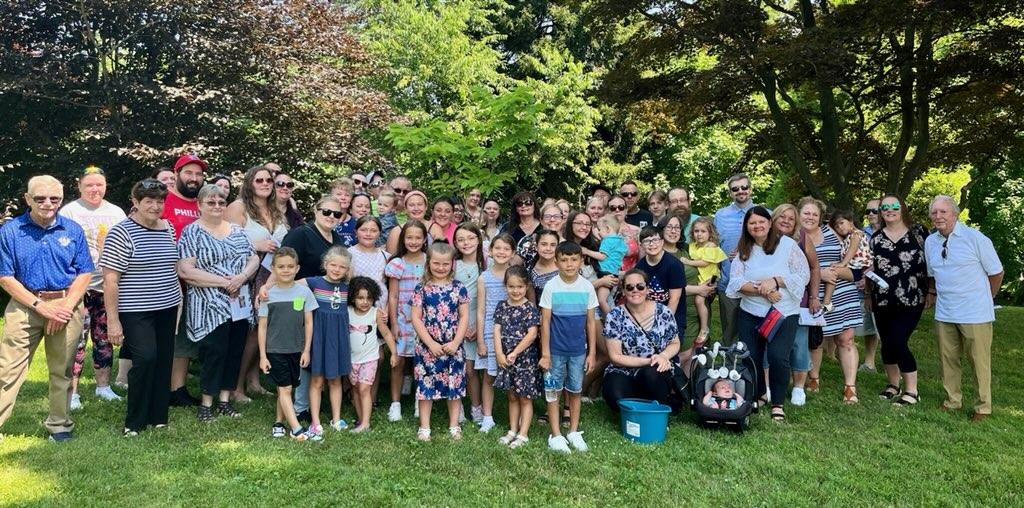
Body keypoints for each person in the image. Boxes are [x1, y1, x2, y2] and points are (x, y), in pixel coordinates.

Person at [0, 175, 93, 442]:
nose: (47, 203)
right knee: (8, 368)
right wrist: (43, 308)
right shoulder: (10, 231)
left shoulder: (73, 230)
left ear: (62, 200)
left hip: (67, 305)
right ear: (28, 199)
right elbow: (5, 277)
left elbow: (84, 272)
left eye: (54, 198)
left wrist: (63, 306)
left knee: (62, 369)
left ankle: (60, 425)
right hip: (25, 306)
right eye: (40, 198)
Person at [99, 179, 181, 436]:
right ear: (135, 203)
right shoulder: (121, 232)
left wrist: (178, 303)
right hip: (136, 310)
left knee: (164, 361)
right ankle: (134, 421)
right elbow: (111, 279)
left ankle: (158, 417)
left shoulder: (168, 229)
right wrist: (113, 321)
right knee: (145, 359)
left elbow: (172, 267)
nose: (156, 206)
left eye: (160, 201)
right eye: (149, 201)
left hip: (167, 306)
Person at [177, 184, 259, 422]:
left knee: (234, 351)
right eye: (211, 202)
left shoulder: (237, 230)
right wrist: (223, 282)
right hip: (209, 304)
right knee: (214, 353)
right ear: (200, 205)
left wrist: (241, 278)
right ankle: (206, 404)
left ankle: (224, 400)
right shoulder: (192, 232)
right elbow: (186, 270)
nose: (216, 206)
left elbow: (252, 258)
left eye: (221, 202)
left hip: (238, 302)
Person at [725, 206, 809, 423]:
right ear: (747, 227)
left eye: (761, 222)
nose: (757, 226)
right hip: (751, 311)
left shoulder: (787, 245)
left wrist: (776, 281)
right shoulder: (744, 249)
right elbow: (735, 282)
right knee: (751, 356)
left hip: (783, 312)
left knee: (778, 357)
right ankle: (760, 394)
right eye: (752, 223)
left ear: (770, 223)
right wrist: (763, 289)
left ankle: (778, 403)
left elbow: (802, 275)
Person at [925, 195, 1003, 422]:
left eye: (943, 212)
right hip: (945, 311)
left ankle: (983, 407)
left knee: (979, 361)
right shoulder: (931, 242)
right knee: (948, 359)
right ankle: (952, 401)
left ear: (955, 214)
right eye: (934, 212)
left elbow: (996, 273)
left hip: (975, 313)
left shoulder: (975, 238)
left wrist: (988, 297)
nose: (938, 216)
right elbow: (932, 275)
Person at [59, 166, 126, 410]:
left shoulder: (116, 212)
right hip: (78, 287)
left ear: (105, 185)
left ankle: (103, 387)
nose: (94, 189)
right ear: (79, 186)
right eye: (89, 185)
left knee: (104, 338)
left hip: (106, 287)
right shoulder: (69, 211)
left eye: (99, 184)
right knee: (75, 341)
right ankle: (72, 392)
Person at [274, 196, 345, 422]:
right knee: (302, 350)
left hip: (326, 306)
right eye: (326, 212)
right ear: (315, 210)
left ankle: (305, 403)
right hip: (300, 301)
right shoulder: (301, 233)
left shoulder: (338, 239)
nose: (331, 217)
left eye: (337, 214)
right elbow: (282, 262)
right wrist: (269, 288)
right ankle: (299, 405)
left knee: (313, 352)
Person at [226, 165, 287, 403]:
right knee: (249, 331)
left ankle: (253, 382)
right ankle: (235, 386)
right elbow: (226, 242)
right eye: (259, 180)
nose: (265, 183)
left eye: (268, 180)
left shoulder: (276, 209)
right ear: (250, 183)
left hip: (271, 274)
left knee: (262, 329)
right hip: (246, 275)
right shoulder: (238, 207)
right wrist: (255, 246)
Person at [800, 197, 863, 403]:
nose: (810, 217)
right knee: (814, 341)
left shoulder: (833, 233)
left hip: (843, 292)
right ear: (799, 214)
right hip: (811, 295)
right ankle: (814, 378)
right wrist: (820, 275)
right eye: (806, 213)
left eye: (814, 214)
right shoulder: (792, 238)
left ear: (821, 218)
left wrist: (835, 273)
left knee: (846, 340)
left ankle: (850, 387)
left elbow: (855, 264)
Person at [539, 241, 598, 454]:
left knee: (575, 390)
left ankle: (573, 431)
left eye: (574, 260)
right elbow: (544, 322)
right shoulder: (551, 287)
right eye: (564, 260)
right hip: (554, 352)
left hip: (578, 352)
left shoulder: (587, 286)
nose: (569, 264)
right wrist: (545, 353)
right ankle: (555, 434)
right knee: (553, 390)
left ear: (581, 261)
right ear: (556, 262)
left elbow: (591, 323)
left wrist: (591, 352)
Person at [869, 195, 928, 407]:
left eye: (894, 206)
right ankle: (893, 384)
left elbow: (932, 265)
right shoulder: (875, 239)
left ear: (902, 208)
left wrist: (932, 292)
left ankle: (912, 390)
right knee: (887, 342)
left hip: (912, 298)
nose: (889, 210)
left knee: (898, 340)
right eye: (884, 208)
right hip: (882, 300)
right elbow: (869, 269)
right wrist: (868, 294)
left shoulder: (919, 233)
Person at [258, 248, 320, 441]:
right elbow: (262, 327)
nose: (286, 270)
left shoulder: (304, 292)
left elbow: (309, 322)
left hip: (297, 348)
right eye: (281, 266)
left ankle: (279, 422)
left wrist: (306, 350)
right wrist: (262, 356)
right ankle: (296, 429)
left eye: (290, 266)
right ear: (273, 269)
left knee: (286, 388)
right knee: (284, 388)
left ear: (297, 268)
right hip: (275, 349)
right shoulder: (268, 295)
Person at [410, 242, 470, 442]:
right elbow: (416, 318)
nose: (441, 267)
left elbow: (463, 317)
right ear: (429, 263)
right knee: (426, 385)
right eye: (436, 263)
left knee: (454, 385)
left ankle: (454, 425)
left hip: (453, 345)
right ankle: (424, 427)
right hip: (428, 346)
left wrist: (455, 342)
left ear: (452, 264)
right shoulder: (421, 289)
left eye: (446, 264)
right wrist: (431, 344)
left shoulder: (459, 288)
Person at [601, 270, 681, 412]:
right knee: (614, 394)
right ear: (623, 292)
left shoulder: (663, 312)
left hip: (657, 368)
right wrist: (650, 360)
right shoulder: (615, 316)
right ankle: (640, 405)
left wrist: (662, 356)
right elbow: (615, 357)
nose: (635, 290)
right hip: (624, 368)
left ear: (648, 289)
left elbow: (675, 343)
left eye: (640, 286)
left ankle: (658, 406)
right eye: (630, 287)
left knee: (651, 374)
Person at [165, 154, 206, 408]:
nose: (193, 178)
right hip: (166, 281)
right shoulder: (164, 200)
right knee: (163, 337)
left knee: (186, 339)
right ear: (177, 173)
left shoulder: (202, 203)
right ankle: (158, 384)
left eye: (198, 174)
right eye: (188, 173)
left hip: (196, 283)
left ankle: (177, 389)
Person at [770, 203, 820, 406]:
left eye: (791, 218)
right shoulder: (764, 237)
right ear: (774, 218)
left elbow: (815, 267)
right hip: (769, 301)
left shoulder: (801, 238)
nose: (786, 221)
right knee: (769, 344)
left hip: (798, 301)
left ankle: (798, 388)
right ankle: (768, 386)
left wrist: (815, 296)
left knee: (799, 344)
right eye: (782, 217)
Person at [304, 247, 352, 436]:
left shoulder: (348, 288)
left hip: (338, 338)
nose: (337, 269)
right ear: (325, 264)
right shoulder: (314, 282)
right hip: (318, 337)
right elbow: (288, 283)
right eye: (333, 265)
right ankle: (315, 422)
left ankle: (336, 418)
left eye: (342, 267)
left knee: (335, 379)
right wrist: (266, 288)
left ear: (347, 270)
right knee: (316, 380)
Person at [493, 265, 542, 449]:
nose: (516, 291)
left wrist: (515, 352)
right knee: (512, 395)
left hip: (525, 360)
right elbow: (496, 329)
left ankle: (523, 434)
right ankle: (512, 429)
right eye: (512, 286)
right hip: (506, 359)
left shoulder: (530, 308)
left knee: (525, 397)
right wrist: (499, 352)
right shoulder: (502, 306)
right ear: (506, 286)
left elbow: (531, 334)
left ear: (527, 286)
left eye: (520, 287)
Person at [384, 219, 428, 422]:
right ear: (403, 239)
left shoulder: (429, 261)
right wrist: (393, 323)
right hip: (402, 319)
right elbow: (393, 296)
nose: (413, 241)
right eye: (409, 237)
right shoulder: (397, 263)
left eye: (418, 237)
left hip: (425, 321)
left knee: (422, 362)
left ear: (424, 239)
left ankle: (421, 401)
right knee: (398, 362)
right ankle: (395, 404)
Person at [347, 276, 397, 433]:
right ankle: (361, 420)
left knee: (364, 389)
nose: (364, 302)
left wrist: (394, 353)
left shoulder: (375, 313)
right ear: (353, 298)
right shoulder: (347, 312)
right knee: (355, 389)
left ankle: (366, 423)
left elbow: (387, 334)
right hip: (351, 359)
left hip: (369, 358)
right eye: (360, 298)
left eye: (369, 298)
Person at [714, 174, 756, 344]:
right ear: (730, 193)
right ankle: (731, 368)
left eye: (744, 187)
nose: (740, 191)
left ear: (750, 189)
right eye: (735, 189)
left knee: (755, 332)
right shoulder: (721, 215)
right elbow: (714, 245)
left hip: (757, 284)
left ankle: (753, 369)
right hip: (728, 281)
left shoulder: (763, 213)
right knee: (730, 331)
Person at [453, 223, 486, 426]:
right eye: (461, 239)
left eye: (470, 238)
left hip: (479, 320)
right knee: (462, 368)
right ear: (455, 243)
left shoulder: (486, 263)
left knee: (475, 369)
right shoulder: (454, 265)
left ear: (478, 240)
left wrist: (478, 328)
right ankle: (459, 407)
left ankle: (477, 406)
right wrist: (462, 326)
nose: (466, 243)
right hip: (457, 321)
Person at [681, 217, 727, 342]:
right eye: (696, 231)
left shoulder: (710, 245)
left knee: (699, 300)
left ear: (710, 233)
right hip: (700, 277)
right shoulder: (693, 246)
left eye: (703, 231)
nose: (699, 234)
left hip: (709, 278)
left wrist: (688, 262)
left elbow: (705, 263)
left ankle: (704, 327)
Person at [634, 227, 686, 336]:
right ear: (641, 245)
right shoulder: (640, 266)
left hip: (672, 316)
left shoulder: (673, 265)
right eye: (647, 241)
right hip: (648, 316)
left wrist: (662, 324)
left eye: (655, 240)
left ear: (662, 242)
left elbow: (674, 298)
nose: (652, 244)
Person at [821, 210, 870, 313]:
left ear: (851, 221)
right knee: (832, 272)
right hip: (853, 268)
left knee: (834, 271)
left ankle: (826, 303)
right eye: (837, 227)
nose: (840, 227)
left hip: (859, 268)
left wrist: (842, 264)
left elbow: (852, 250)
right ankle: (827, 302)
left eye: (842, 223)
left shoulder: (856, 234)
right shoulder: (846, 238)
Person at [856, 198, 883, 371]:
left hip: (886, 286)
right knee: (869, 326)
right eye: (868, 211)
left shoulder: (891, 233)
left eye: (874, 210)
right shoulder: (861, 234)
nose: (871, 214)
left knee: (889, 327)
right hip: (864, 285)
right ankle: (869, 361)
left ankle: (896, 364)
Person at [594, 214, 628, 315]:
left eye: (600, 230)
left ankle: (611, 319)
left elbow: (602, 256)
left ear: (608, 229)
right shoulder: (620, 241)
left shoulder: (607, 240)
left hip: (606, 273)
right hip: (614, 273)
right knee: (608, 299)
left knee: (602, 300)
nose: (599, 233)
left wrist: (586, 251)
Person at [385, 190, 429, 254]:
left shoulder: (434, 228)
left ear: (426, 207)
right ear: (405, 208)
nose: (416, 208)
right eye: (411, 205)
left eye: (420, 204)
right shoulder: (397, 231)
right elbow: (390, 258)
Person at [503, 191, 541, 263]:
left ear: (534, 206)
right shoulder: (507, 227)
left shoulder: (543, 226)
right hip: (514, 269)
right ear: (516, 208)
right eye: (519, 204)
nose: (524, 206)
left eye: (528, 203)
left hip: (540, 269)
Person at [607, 195, 641, 272]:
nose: (617, 210)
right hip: (607, 278)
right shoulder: (601, 231)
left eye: (621, 207)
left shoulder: (637, 231)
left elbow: (642, 260)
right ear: (608, 211)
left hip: (631, 278)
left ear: (626, 210)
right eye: (613, 208)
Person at [529, 230, 561, 302]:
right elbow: (533, 303)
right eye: (544, 244)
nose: (548, 248)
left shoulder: (565, 266)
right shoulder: (531, 274)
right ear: (536, 246)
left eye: (553, 245)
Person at [330, 177, 357, 247]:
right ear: (331, 197)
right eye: (339, 194)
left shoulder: (357, 224)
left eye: (347, 195)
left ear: (351, 199)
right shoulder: (324, 220)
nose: (343, 198)